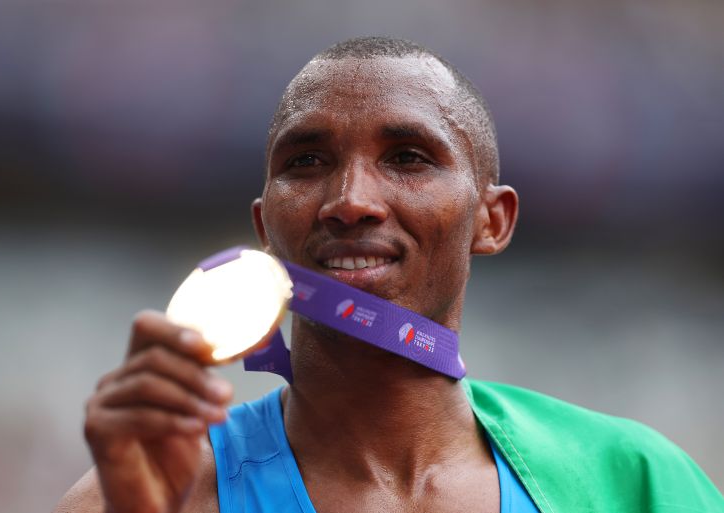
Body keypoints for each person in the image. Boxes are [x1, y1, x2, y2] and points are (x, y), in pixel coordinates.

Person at [54, 37, 723, 513]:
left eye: (407, 157)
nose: (349, 200)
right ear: (264, 227)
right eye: (307, 162)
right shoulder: (146, 495)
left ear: (492, 220)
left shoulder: (635, 482)